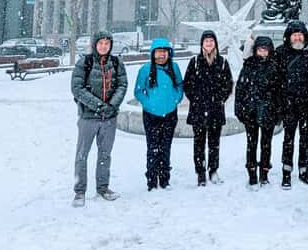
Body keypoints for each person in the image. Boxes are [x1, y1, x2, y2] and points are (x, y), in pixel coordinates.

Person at [71, 30, 128, 207]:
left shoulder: (117, 63)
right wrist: (98, 105)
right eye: (101, 43)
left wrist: (111, 105)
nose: (104, 46)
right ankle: (80, 191)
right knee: (82, 154)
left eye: (107, 43)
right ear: (95, 44)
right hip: (88, 117)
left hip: (109, 118)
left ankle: (103, 187)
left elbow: (122, 85)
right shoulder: (84, 63)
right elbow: (77, 88)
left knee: (105, 154)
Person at [275, 20, 308, 189]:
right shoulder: (280, 53)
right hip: (288, 104)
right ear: (289, 37)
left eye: (300, 34)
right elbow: (276, 80)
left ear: (304, 36)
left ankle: (304, 169)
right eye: (294, 35)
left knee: (305, 138)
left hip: (307, 104)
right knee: (288, 138)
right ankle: (286, 171)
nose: (297, 37)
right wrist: (279, 104)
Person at [183, 30, 233, 186]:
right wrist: (196, 99)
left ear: (215, 43)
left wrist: (219, 99)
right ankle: (200, 172)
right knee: (198, 142)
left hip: (215, 110)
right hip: (198, 109)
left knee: (214, 142)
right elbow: (187, 84)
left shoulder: (222, 62)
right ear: (202, 44)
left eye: (211, 41)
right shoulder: (195, 61)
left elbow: (228, 84)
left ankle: (213, 170)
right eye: (206, 41)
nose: (209, 44)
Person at [134, 38, 183, 191]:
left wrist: (175, 100)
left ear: (169, 53)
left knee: (166, 146)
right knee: (153, 147)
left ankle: (164, 178)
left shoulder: (174, 68)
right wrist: (149, 104)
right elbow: (138, 91)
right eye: (158, 52)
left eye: (164, 52)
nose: (161, 55)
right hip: (151, 114)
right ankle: (151, 179)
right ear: (153, 53)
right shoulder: (145, 69)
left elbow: (180, 87)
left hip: (170, 113)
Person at [234, 35, 282, 186]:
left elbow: (279, 92)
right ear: (255, 50)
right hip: (251, 111)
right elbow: (240, 90)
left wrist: (278, 111)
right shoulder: (248, 67)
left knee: (266, 144)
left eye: (265, 50)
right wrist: (239, 109)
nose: (262, 52)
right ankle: (252, 172)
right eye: (260, 49)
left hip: (268, 112)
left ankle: (264, 172)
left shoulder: (275, 68)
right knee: (251, 143)